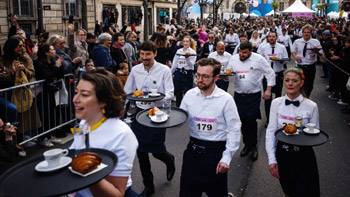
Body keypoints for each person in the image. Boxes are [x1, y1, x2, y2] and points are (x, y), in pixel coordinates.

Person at [70, 69, 139, 197]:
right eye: (76, 92)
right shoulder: (84, 123)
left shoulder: (122, 134)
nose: (75, 99)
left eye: (84, 94)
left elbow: (117, 194)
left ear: (103, 101)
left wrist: (89, 171)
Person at [179, 58, 241, 197]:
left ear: (216, 77)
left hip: (215, 154)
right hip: (192, 152)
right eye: (198, 75)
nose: (200, 79)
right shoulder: (189, 95)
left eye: (205, 76)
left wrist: (227, 157)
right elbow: (181, 118)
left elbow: (234, 129)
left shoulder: (226, 99)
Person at [124, 41, 175, 197]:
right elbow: (128, 90)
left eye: (148, 54)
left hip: (156, 112)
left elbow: (170, 93)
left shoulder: (164, 70)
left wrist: (158, 100)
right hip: (139, 113)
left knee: (157, 151)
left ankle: (169, 159)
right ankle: (149, 186)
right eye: (142, 54)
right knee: (140, 151)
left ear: (155, 54)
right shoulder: (135, 69)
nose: (144, 57)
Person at [265, 67, 320, 197]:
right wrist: (272, 160)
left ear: (301, 83)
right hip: (282, 153)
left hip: (304, 156)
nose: (290, 83)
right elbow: (271, 131)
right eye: (287, 80)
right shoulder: (276, 103)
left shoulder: (311, 106)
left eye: (294, 81)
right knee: (288, 190)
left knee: (305, 191)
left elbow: (315, 134)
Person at [227, 41, 275, 161]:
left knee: (251, 120)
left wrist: (268, 90)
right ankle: (247, 145)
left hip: (253, 95)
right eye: (240, 52)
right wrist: (226, 74)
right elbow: (228, 71)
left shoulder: (259, 59)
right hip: (238, 95)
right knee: (242, 120)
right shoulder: (233, 59)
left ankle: (253, 147)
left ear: (250, 52)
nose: (242, 55)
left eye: (245, 53)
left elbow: (270, 73)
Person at [257, 31, 288, 124]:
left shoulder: (282, 47)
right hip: (267, 76)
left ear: (276, 37)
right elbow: (258, 59)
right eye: (270, 37)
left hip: (278, 74)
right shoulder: (263, 47)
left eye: (273, 37)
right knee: (268, 98)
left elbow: (286, 59)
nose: (271, 38)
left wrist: (280, 60)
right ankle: (269, 119)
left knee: (278, 97)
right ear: (267, 38)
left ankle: (278, 118)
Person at [291, 24, 323, 98]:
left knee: (309, 85)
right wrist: (295, 57)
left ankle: (306, 97)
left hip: (311, 66)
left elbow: (321, 54)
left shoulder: (315, 42)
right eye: (304, 32)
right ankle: (300, 97)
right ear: (302, 33)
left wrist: (316, 51)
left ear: (311, 33)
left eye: (308, 32)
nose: (306, 33)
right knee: (299, 83)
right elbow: (293, 51)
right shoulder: (297, 41)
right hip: (300, 66)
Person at [171, 35, 197, 107]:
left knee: (187, 93)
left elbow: (192, 66)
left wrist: (187, 58)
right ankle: (178, 109)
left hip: (188, 74)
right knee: (178, 93)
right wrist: (171, 73)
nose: (185, 43)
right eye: (184, 41)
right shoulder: (179, 51)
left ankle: (186, 109)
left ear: (190, 43)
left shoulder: (193, 52)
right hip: (179, 73)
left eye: (187, 41)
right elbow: (175, 63)